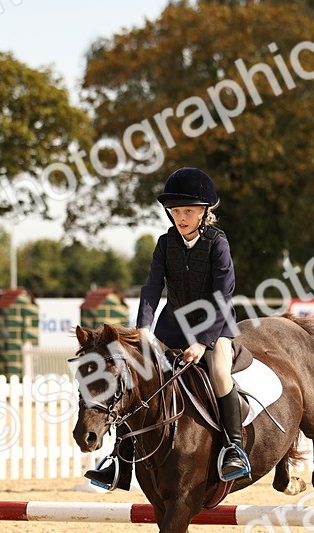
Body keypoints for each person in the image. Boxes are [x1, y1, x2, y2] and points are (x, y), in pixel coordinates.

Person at [84, 167, 250, 487]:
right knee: (137, 376)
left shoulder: (217, 243)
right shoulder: (165, 242)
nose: (181, 217)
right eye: (175, 211)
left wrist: (202, 342)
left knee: (218, 372)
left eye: (188, 211)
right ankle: (120, 462)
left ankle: (234, 448)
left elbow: (223, 294)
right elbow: (151, 288)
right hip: (173, 322)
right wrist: (143, 328)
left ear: (204, 212)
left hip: (215, 323)